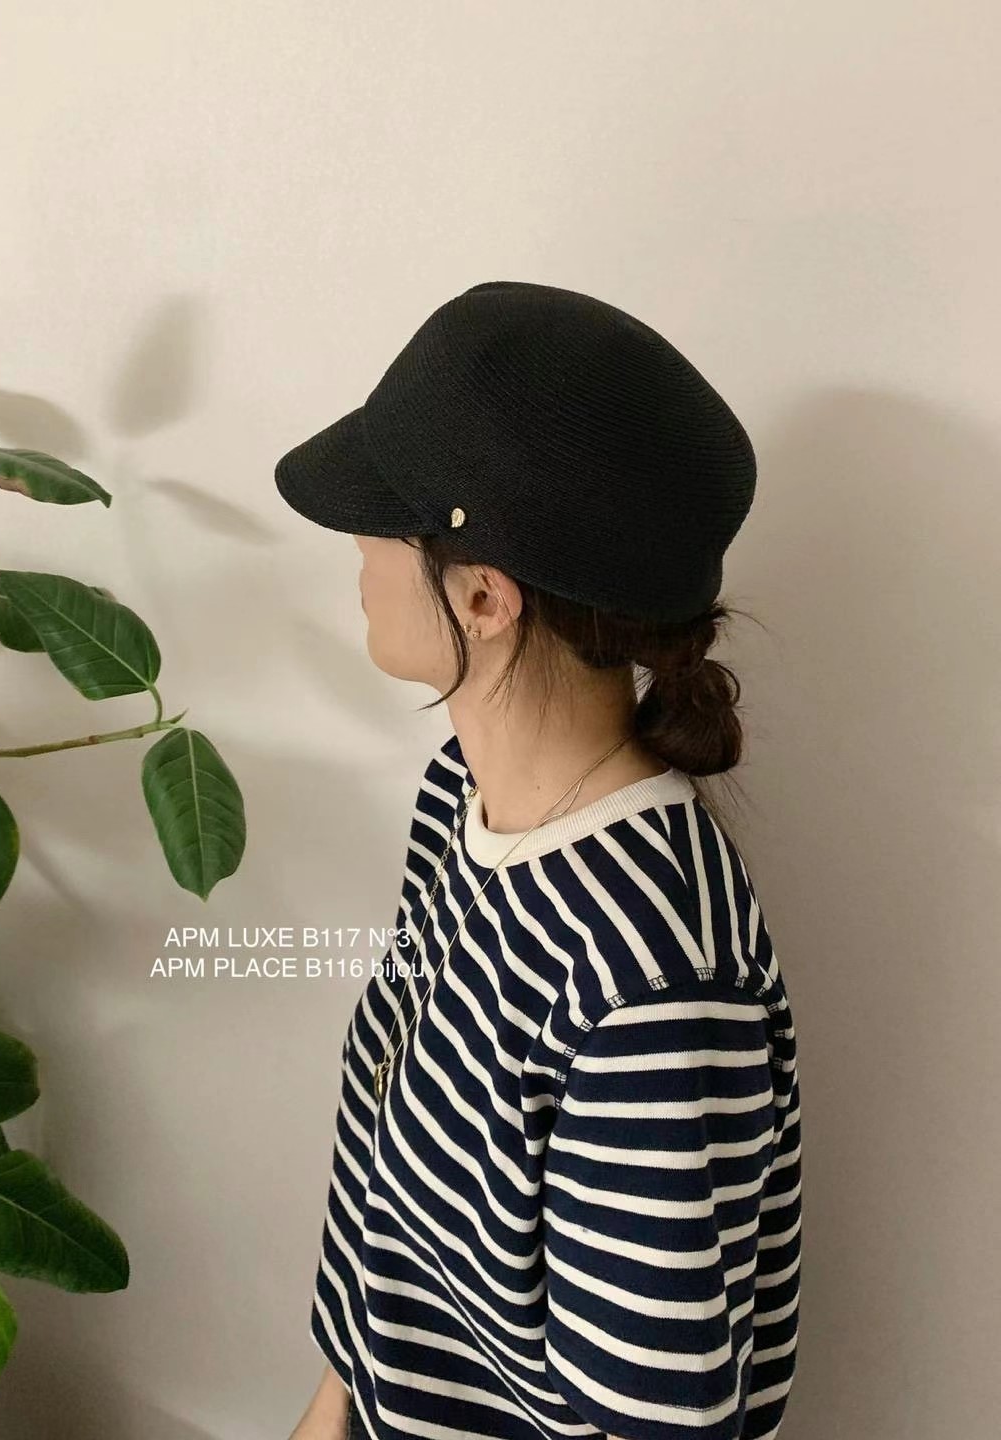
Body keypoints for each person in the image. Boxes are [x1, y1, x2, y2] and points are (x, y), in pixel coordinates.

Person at [275, 281, 801, 1440]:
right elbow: (388, 1208)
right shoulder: (458, 800)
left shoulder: (653, 980)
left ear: (483, 596)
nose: (356, 549)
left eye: (383, 520)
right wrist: (329, 1411)